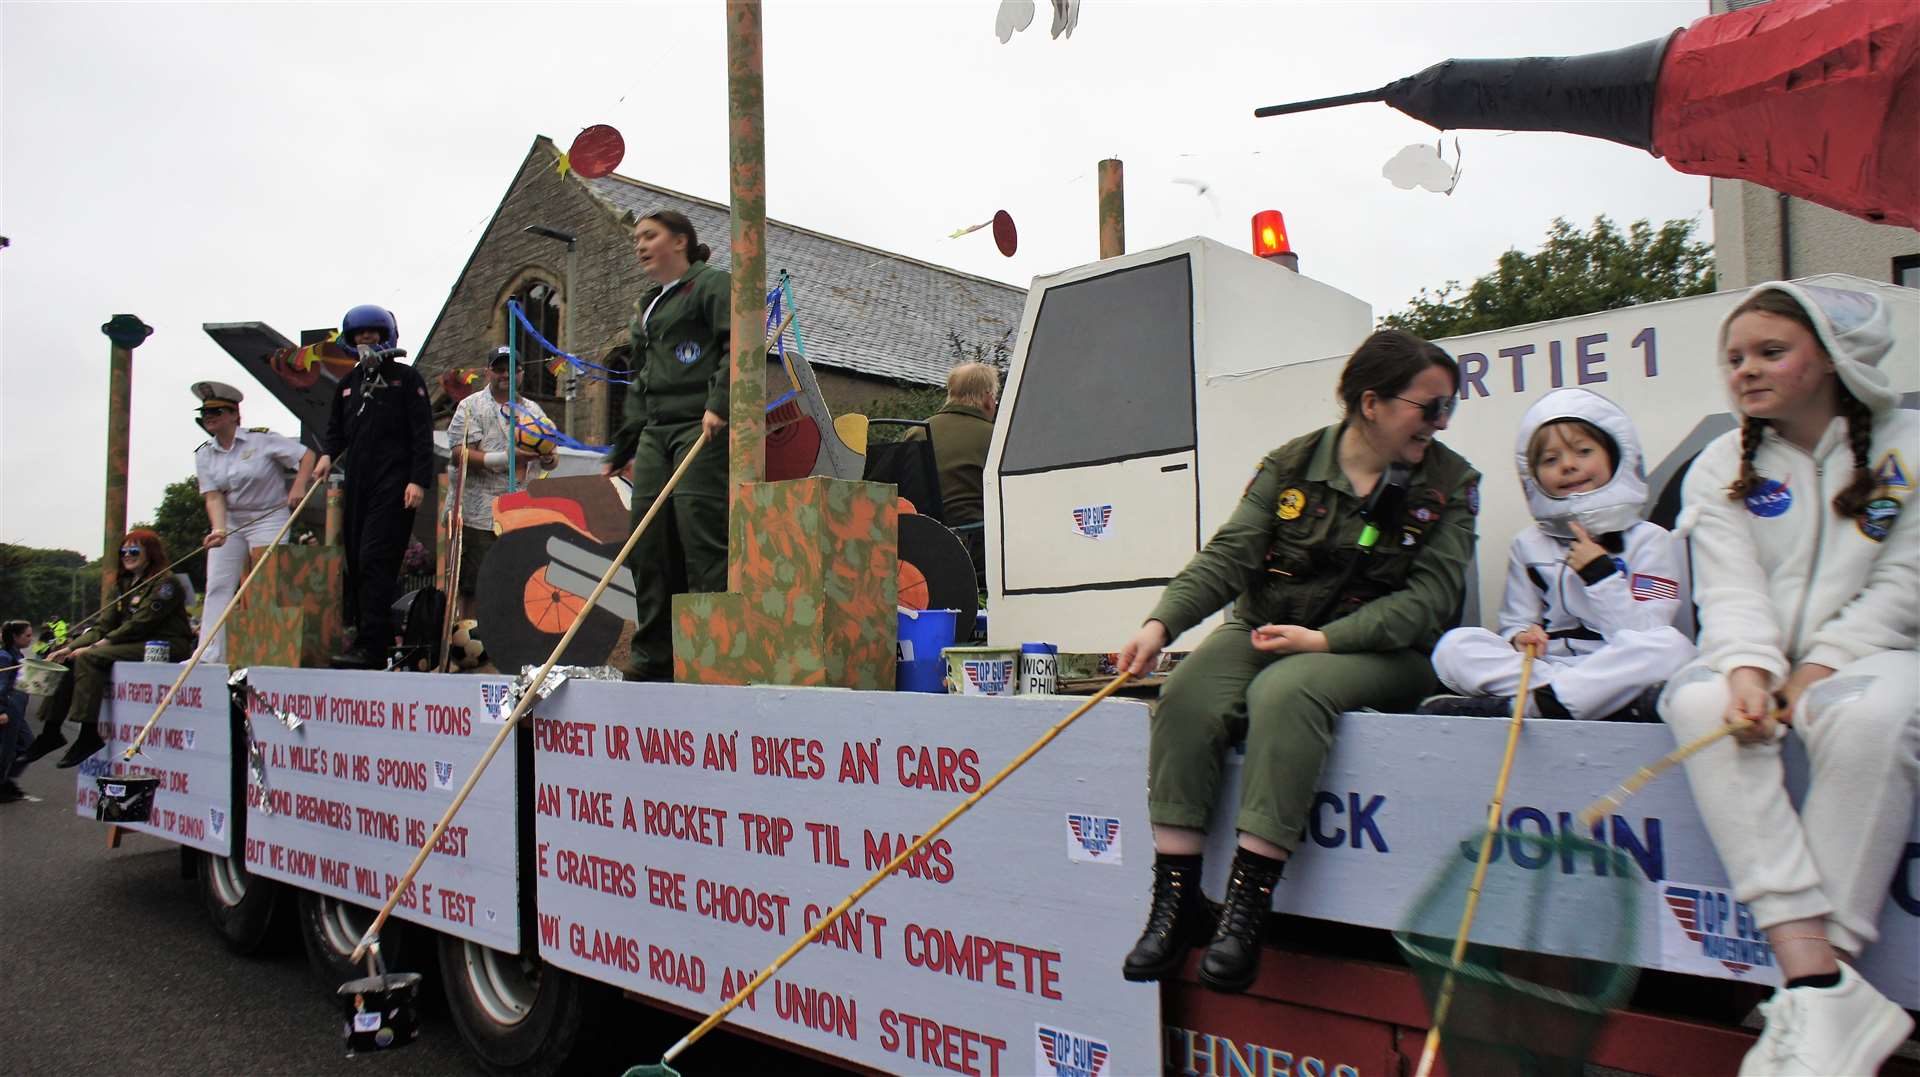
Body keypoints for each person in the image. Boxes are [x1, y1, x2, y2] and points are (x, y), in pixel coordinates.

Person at [1115, 329, 1480, 992]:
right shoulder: (1290, 466)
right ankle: (1177, 905)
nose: (1442, 421)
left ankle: (1248, 911)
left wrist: (1324, 641)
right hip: (1267, 624)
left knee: (1287, 692)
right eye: (1428, 407)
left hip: (1384, 649)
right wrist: (1160, 623)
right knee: (1189, 693)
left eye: (1449, 406)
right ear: (1371, 403)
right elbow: (1230, 556)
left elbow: (1431, 600)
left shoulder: (1450, 484)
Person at [1659, 282, 1916, 1076]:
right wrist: (1746, 672)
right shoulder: (1720, 463)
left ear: (1835, 358)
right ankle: (1818, 980)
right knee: (1700, 700)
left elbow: (1904, 583)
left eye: (1771, 351)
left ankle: (1814, 995)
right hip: (1756, 657)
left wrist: (1816, 670)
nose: (1745, 370)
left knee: (1872, 714)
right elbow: (1729, 589)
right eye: (1734, 357)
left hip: (1882, 656)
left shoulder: (1906, 448)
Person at [1425, 388, 1694, 719]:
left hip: (1617, 663)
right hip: (1552, 669)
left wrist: (1600, 574)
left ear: (1615, 455)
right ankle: (1574, 700)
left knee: (1672, 648)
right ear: (1533, 476)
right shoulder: (1528, 544)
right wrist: (1521, 637)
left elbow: (1644, 634)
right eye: (1550, 460)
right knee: (1455, 647)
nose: (1568, 466)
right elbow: (1516, 622)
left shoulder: (1651, 540)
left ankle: (1534, 705)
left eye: (1583, 451)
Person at [602, 210, 731, 682]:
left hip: (705, 425)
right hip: (658, 431)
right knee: (648, 540)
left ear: (679, 241)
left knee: (701, 536)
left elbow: (736, 345)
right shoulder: (648, 304)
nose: (639, 244)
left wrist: (720, 402)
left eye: (649, 236)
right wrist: (623, 446)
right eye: (636, 237)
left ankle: (713, 652)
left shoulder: (713, 286)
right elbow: (640, 380)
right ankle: (657, 657)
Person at [314, 305, 434, 669]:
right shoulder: (349, 386)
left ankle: (372, 644)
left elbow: (421, 433)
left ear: (386, 337)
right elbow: (336, 431)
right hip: (358, 485)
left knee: (375, 559)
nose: (366, 340)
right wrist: (326, 455)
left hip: (394, 484)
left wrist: (418, 479)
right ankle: (371, 638)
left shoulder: (405, 378)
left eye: (373, 334)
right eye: (359, 335)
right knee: (355, 560)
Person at [28, 530, 195, 768]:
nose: (127, 556)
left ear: (150, 554)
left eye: (134, 551)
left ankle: (88, 734)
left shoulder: (166, 583)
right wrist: (69, 648)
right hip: (133, 642)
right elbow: (102, 625)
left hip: (165, 644)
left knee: (90, 658)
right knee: (67, 660)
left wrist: (96, 646)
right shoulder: (122, 584)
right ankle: (50, 731)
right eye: (124, 551)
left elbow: (141, 623)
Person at [191, 381, 317, 662]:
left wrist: (298, 486)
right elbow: (213, 496)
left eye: (216, 411)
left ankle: (265, 649)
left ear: (235, 414)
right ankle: (209, 654)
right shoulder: (204, 453)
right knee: (218, 584)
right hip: (232, 519)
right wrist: (219, 529)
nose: (209, 417)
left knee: (265, 583)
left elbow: (306, 456)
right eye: (205, 414)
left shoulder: (261, 439)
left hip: (268, 515)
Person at [446, 345, 557, 622]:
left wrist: (547, 458)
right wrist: (506, 459)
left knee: (518, 582)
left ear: (521, 373)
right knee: (475, 585)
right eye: (498, 369)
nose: (505, 374)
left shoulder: (533, 410)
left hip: (521, 513)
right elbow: (459, 454)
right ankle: (471, 649)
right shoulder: (470, 406)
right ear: (487, 372)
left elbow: (551, 460)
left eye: (512, 369)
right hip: (479, 514)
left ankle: (508, 648)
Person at [903, 361, 997, 579]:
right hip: (975, 549)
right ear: (986, 397)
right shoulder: (996, 438)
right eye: (994, 396)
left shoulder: (916, 432)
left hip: (918, 547)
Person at [1, 620, 34, 803]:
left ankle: (7, 780)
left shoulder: (17, 655)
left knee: (28, 745)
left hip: (17, 711)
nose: (30, 639)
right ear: (15, 637)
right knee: (5, 751)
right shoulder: (4, 657)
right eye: (27, 635)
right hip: (7, 710)